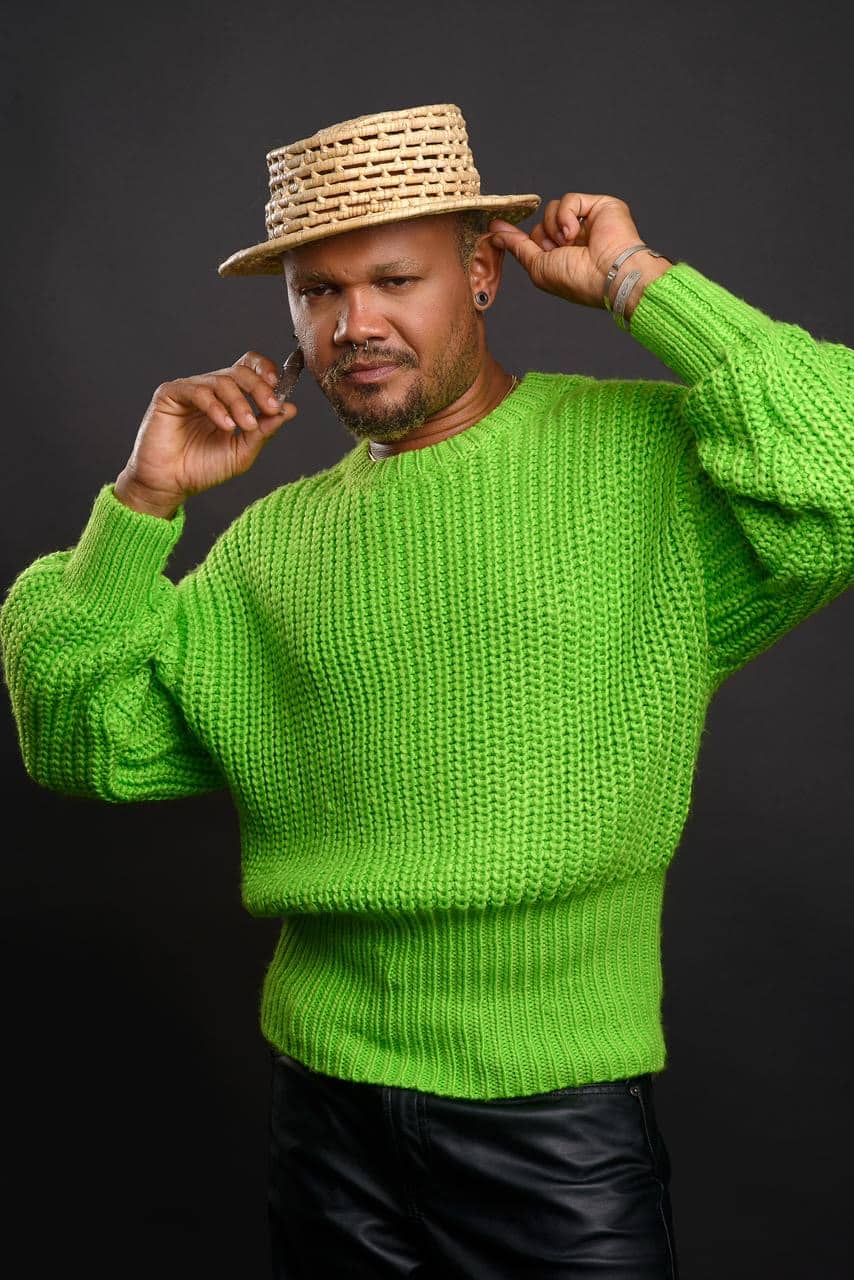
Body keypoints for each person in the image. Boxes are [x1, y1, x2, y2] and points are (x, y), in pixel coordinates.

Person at [2, 101, 852, 1278]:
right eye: (316, 291)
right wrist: (142, 504)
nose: (354, 323)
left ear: (484, 272)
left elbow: (836, 462)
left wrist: (634, 281)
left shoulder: (642, 462)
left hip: (553, 1118)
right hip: (323, 1115)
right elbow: (80, 739)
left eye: (394, 279)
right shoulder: (270, 541)